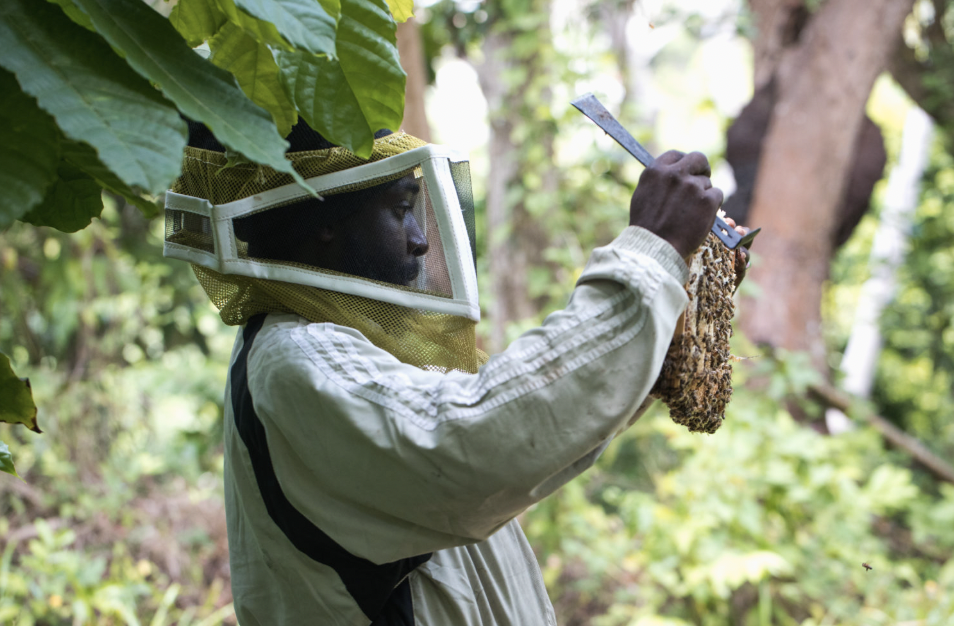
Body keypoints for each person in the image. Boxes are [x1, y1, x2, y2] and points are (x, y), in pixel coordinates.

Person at [164, 120, 748, 625]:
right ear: (325, 223)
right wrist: (650, 249)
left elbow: (536, 429)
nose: (421, 240)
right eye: (398, 210)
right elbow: (485, 438)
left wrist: (666, 306)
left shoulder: (348, 346)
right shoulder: (300, 363)